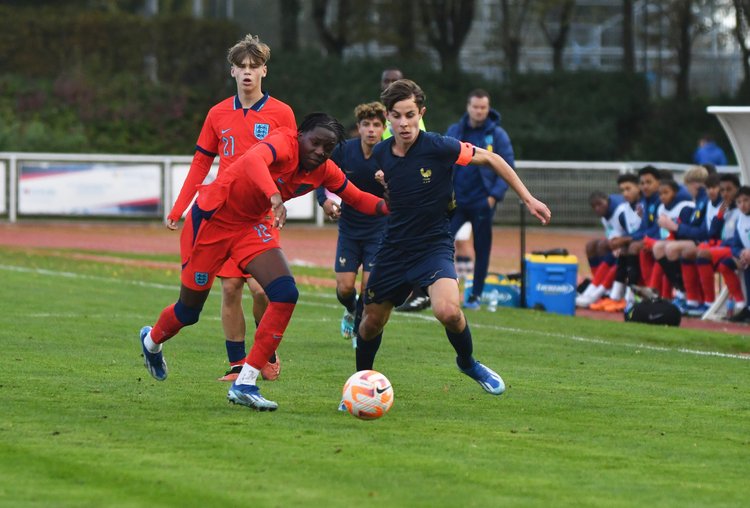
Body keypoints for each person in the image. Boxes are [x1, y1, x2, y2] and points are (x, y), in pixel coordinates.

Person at [140, 113, 388, 411]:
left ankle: (245, 381)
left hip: (251, 227)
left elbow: (357, 197)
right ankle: (151, 341)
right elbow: (252, 162)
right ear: (300, 136)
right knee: (188, 311)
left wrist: (392, 208)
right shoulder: (283, 141)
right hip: (212, 219)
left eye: (328, 147)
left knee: (285, 294)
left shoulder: (324, 169)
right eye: (316, 142)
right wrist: (274, 197)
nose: (321, 151)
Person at [350, 79, 550, 400]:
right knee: (370, 325)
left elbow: (494, 160)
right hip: (394, 249)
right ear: (388, 117)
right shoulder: (381, 155)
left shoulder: (441, 146)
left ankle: (468, 362)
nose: (404, 123)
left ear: (421, 113)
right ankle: (358, 387)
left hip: (433, 245)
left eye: (411, 115)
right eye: (398, 116)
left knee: (449, 312)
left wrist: (528, 199)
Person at [166, 34, 296, 382]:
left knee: (263, 290)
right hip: (223, 215)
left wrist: (279, 197)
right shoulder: (217, 114)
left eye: (255, 67)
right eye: (242, 67)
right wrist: (180, 208)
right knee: (229, 288)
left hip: (258, 214)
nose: (248, 73)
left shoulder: (282, 113)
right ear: (232, 72)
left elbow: (291, 163)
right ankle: (239, 365)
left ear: (264, 71)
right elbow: (200, 163)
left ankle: (265, 350)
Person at [315, 102, 388, 344]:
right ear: (358, 127)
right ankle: (350, 309)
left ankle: (360, 332)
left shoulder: (389, 155)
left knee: (369, 288)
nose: (371, 130)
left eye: (376, 125)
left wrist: (387, 184)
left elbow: (400, 193)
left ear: (383, 128)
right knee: (345, 289)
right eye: (366, 124)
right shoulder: (344, 150)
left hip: (378, 230)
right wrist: (323, 201)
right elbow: (319, 172)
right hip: (349, 228)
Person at [445, 89, 516, 309]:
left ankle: (475, 295)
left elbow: (508, 166)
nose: (479, 111)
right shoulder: (455, 130)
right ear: (468, 107)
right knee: (441, 241)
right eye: (475, 107)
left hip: (482, 203)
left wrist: (493, 197)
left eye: (483, 107)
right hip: (456, 201)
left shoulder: (497, 135)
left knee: (482, 248)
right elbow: (443, 161)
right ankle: (438, 289)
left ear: (488, 108)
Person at [379, 68, 431, 312]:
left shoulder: (411, 120)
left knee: (414, 242)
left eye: (394, 81)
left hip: (409, 190)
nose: (404, 122)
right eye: (386, 81)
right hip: (388, 185)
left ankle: (421, 292)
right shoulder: (386, 117)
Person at [575, 191, 624, 309]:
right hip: (619, 242)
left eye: (599, 204)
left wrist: (619, 244)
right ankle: (597, 285)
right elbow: (611, 233)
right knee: (591, 246)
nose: (597, 208)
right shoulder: (605, 216)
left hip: (628, 243)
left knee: (606, 247)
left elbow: (629, 231)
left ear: (607, 200)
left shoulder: (620, 211)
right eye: (594, 206)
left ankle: (601, 289)